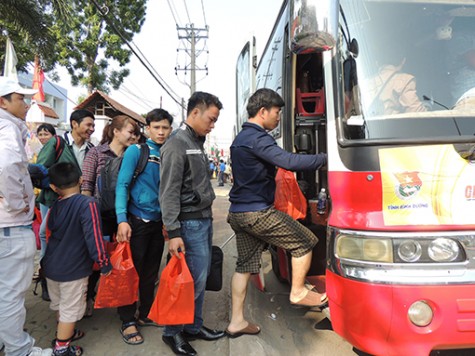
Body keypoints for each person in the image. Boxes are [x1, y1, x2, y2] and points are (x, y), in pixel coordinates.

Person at [225, 88, 328, 338]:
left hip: (238, 213)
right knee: (305, 241)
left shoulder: (240, 139)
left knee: (245, 267)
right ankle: (298, 292)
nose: (279, 117)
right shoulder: (258, 138)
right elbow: (289, 162)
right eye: (277, 112)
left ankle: (236, 322)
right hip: (258, 213)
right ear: (263, 112)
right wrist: (326, 157)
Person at [159, 92, 225, 356]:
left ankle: (193, 327)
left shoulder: (196, 141)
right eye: (211, 119)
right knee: (185, 283)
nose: (212, 125)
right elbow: (169, 191)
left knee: (199, 280)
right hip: (187, 224)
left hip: (202, 220)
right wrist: (173, 232)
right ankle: (172, 333)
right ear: (195, 112)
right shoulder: (177, 143)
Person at [0, 76, 52, 355]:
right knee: (10, 294)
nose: (26, 102)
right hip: (10, 224)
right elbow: (8, 166)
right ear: (3, 102)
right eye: (20, 97)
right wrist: (18, 202)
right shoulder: (6, 128)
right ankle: (19, 350)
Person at [115, 109, 173, 345]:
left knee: (150, 272)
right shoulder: (135, 151)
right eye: (156, 127)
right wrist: (122, 219)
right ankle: (127, 320)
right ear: (147, 128)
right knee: (131, 272)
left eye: (165, 128)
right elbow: (122, 184)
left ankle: (145, 312)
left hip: (158, 223)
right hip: (136, 222)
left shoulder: (170, 153)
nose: (161, 132)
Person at [41, 162, 112, 356]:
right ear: (81, 180)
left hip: (52, 266)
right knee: (71, 309)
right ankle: (62, 348)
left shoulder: (55, 206)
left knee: (61, 306)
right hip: (73, 269)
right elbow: (94, 236)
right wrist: (104, 262)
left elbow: (50, 234)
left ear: (54, 188)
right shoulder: (87, 203)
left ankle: (64, 333)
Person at [81, 115, 139, 317]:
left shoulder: (134, 156)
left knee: (124, 259)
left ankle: (122, 301)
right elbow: (86, 184)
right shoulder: (96, 153)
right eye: (130, 132)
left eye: (136, 133)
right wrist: (86, 215)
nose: (134, 137)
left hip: (125, 216)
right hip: (100, 216)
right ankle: (88, 297)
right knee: (98, 260)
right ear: (116, 131)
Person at [35, 123, 57, 302]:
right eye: (40, 134)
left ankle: (45, 270)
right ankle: (44, 273)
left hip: (54, 197)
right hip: (44, 197)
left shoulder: (56, 149)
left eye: (46, 133)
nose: (43, 137)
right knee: (44, 234)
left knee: (45, 233)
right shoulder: (39, 153)